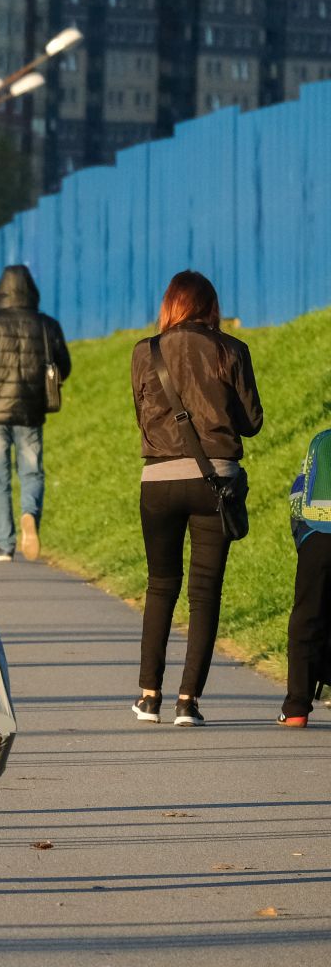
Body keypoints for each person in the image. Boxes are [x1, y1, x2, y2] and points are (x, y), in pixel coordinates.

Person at [129, 270, 263, 727]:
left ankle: (149, 697)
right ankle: (188, 702)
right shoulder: (232, 350)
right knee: (204, 594)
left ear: (171, 305)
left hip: (159, 480)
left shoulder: (145, 353)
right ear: (210, 307)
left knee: (160, 584)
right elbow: (251, 422)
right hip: (216, 483)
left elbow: (142, 418)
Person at [0, 265, 71, 561]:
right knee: (32, 471)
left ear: (0, 291)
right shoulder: (46, 324)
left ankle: (4, 544)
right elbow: (64, 366)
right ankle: (29, 513)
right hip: (31, 412)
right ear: (32, 290)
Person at [282, 427, 331, 727]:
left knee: (306, 617)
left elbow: (300, 494)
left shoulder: (322, 442)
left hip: (318, 537)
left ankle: (296, 707)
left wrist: (303, 539)